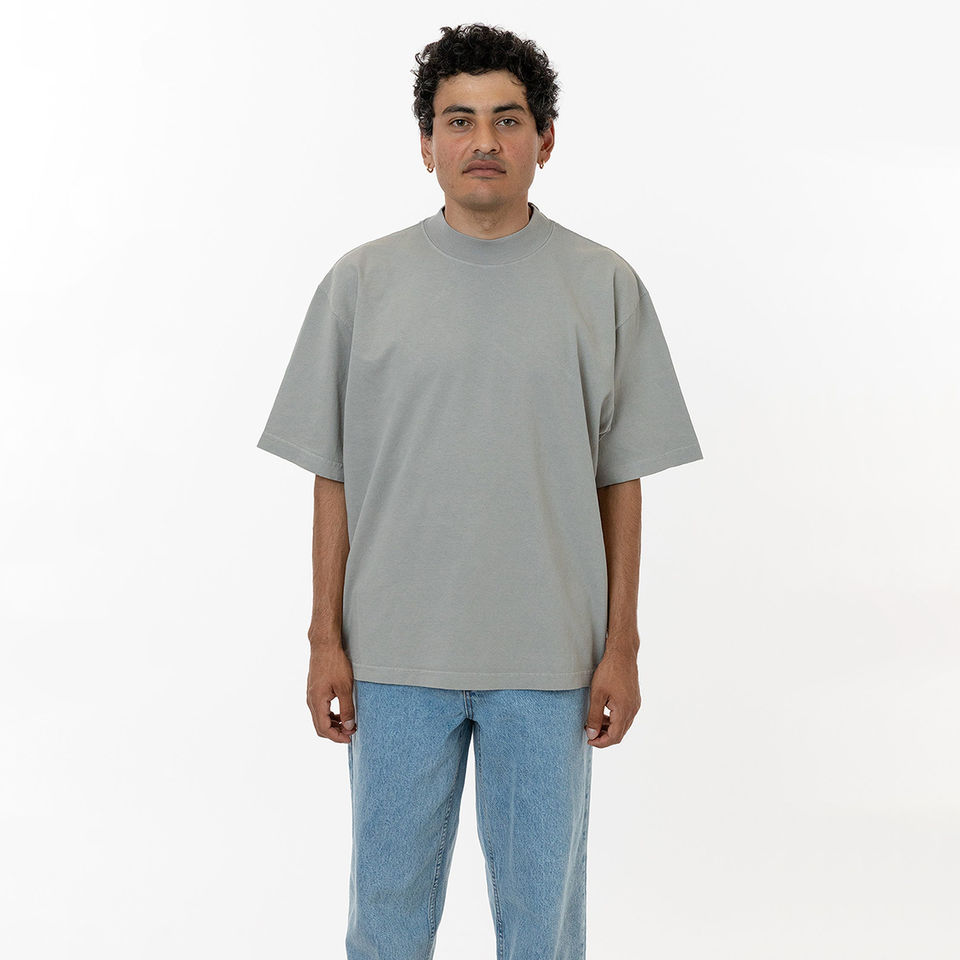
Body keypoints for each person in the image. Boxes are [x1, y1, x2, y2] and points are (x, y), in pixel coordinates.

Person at [256, 22, 703, 960]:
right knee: (385, 924)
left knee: (543, 929)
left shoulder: (603, 286)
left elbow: (620, 481)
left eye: (508, 118)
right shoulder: (361, 284)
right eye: (458, 120)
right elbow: (332, 474)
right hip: (392, 657)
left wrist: (621, 647)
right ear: (426, 144)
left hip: (551, 662)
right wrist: (324, 637)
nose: (484, 141)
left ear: (546, 139)